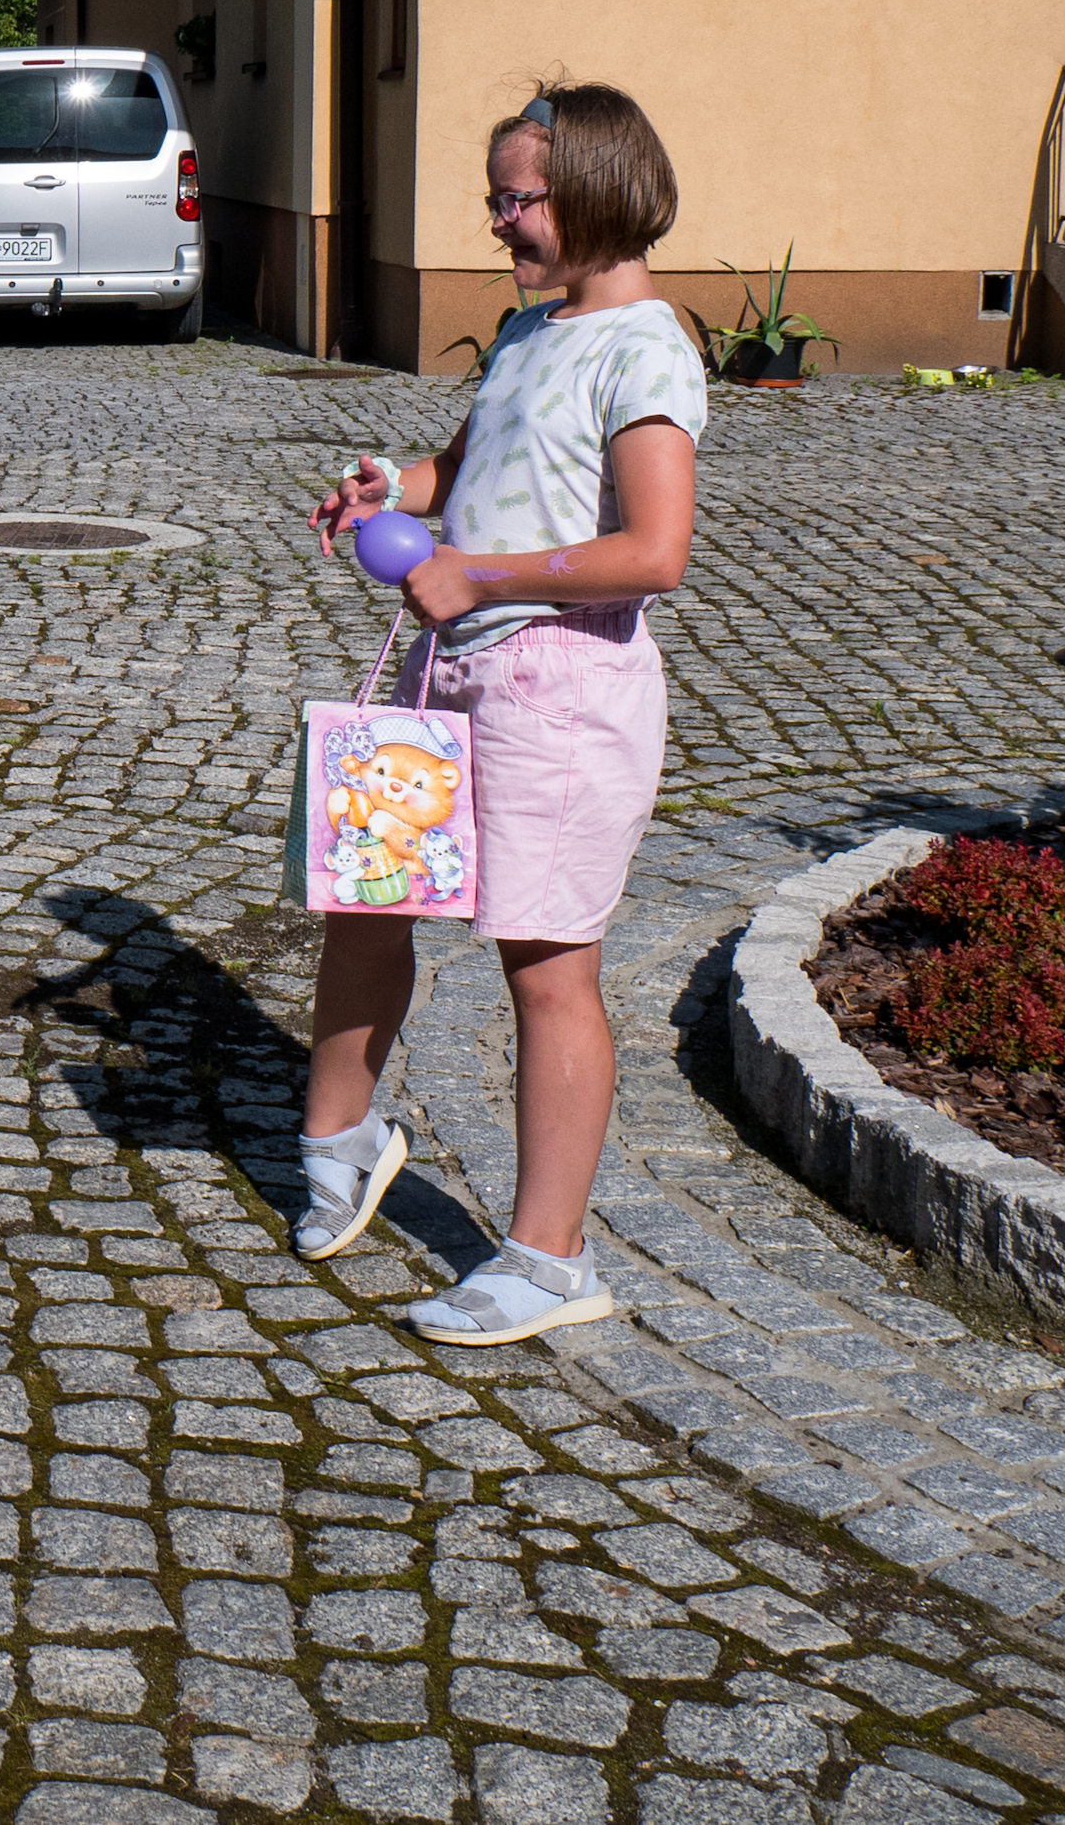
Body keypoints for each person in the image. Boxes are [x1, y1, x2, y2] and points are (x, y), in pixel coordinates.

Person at [299, 83, 707, 1345]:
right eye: (497, 196)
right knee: (368, 896)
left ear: (592, 190)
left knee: (547, 965)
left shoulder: (647, 349)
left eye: (515, 198)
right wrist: (397, 486)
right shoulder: (535, 334)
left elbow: (654, 549)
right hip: (453, 673)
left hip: (562, 696)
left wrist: (471, 572)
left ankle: (550, 1257)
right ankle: (342, 1133)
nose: (496, 222)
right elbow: (474, 472)